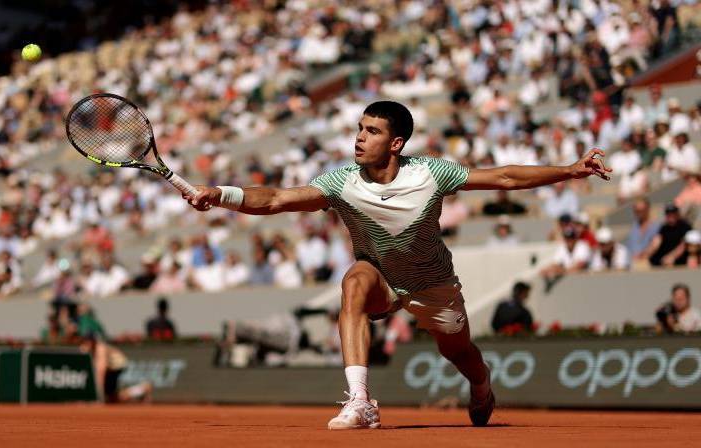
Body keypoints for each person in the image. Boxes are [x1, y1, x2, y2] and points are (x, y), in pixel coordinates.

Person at [182, 101, 611, 429]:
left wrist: (569, 171)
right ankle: (359, 401)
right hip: (381, 279)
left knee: (458, 352)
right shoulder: (341, 182)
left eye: (372, 131)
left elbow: (502, 177)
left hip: (432, 284)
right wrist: (221, 194)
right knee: (353, 283)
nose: (359, 138)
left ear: (396, 143)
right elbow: (277, 199)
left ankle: (481, 385)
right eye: (359, 129)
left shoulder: (430, 173)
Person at [79, 334, 153, 403]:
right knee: (113, 398)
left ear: (93, 341)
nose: (86, 344)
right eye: (85, 342)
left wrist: (98, 396)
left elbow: (101, 371)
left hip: (116, 367)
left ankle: (143, 388)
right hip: (113, 368)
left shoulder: (100, 348)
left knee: (111, 397)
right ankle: (142, 389)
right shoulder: (88, 349)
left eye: (88, 341)